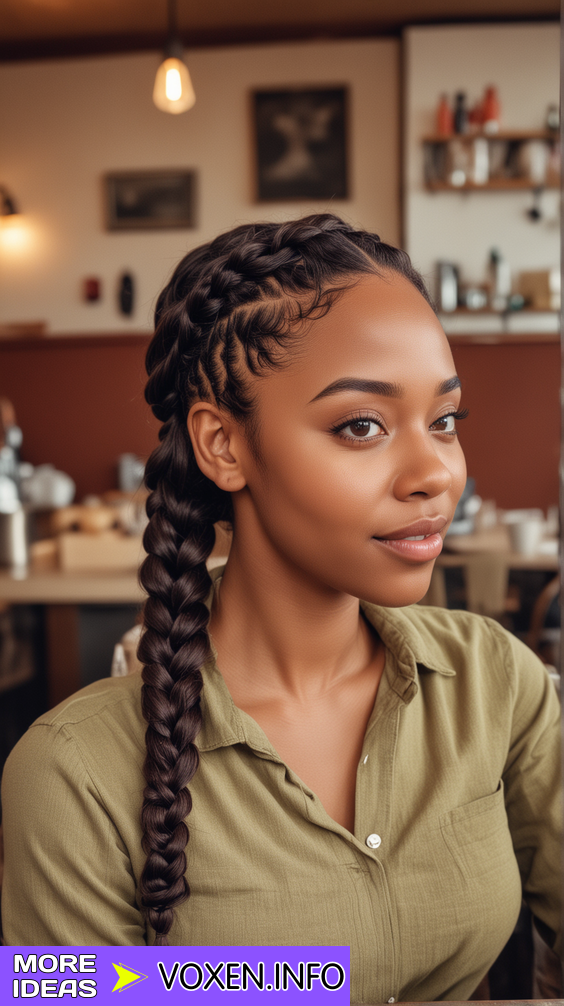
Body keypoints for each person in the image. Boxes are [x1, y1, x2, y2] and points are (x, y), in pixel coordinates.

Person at [1, 215, 560, 1002]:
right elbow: (69, 988)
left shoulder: (495, 678)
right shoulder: (71, 776)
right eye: (361, 425)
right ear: (223, 445)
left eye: (444, 420)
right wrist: (294, 977)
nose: (435, 472)